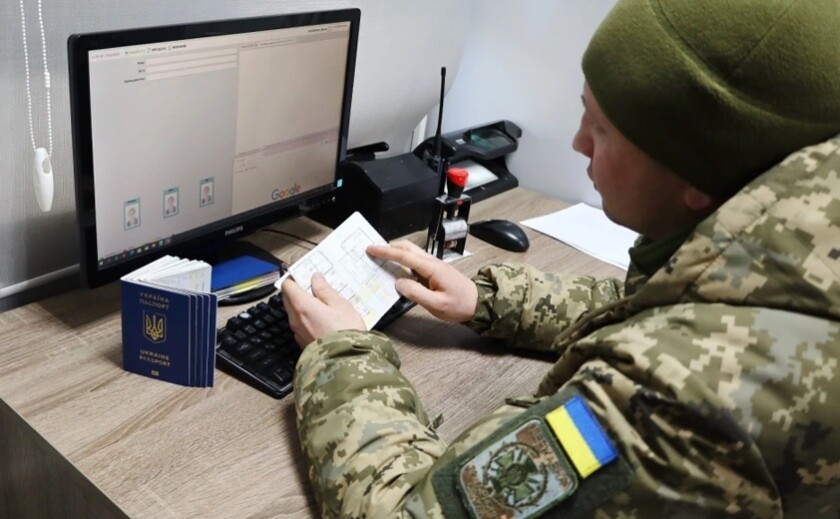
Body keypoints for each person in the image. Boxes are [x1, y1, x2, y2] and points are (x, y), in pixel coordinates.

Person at [282, 1, 840, 517]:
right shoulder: (799, 256)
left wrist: (341, 353)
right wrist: (489, 300)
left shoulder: (667, 409)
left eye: (601, 128)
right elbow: (656, 307)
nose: (578, 143)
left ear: (699, 172)